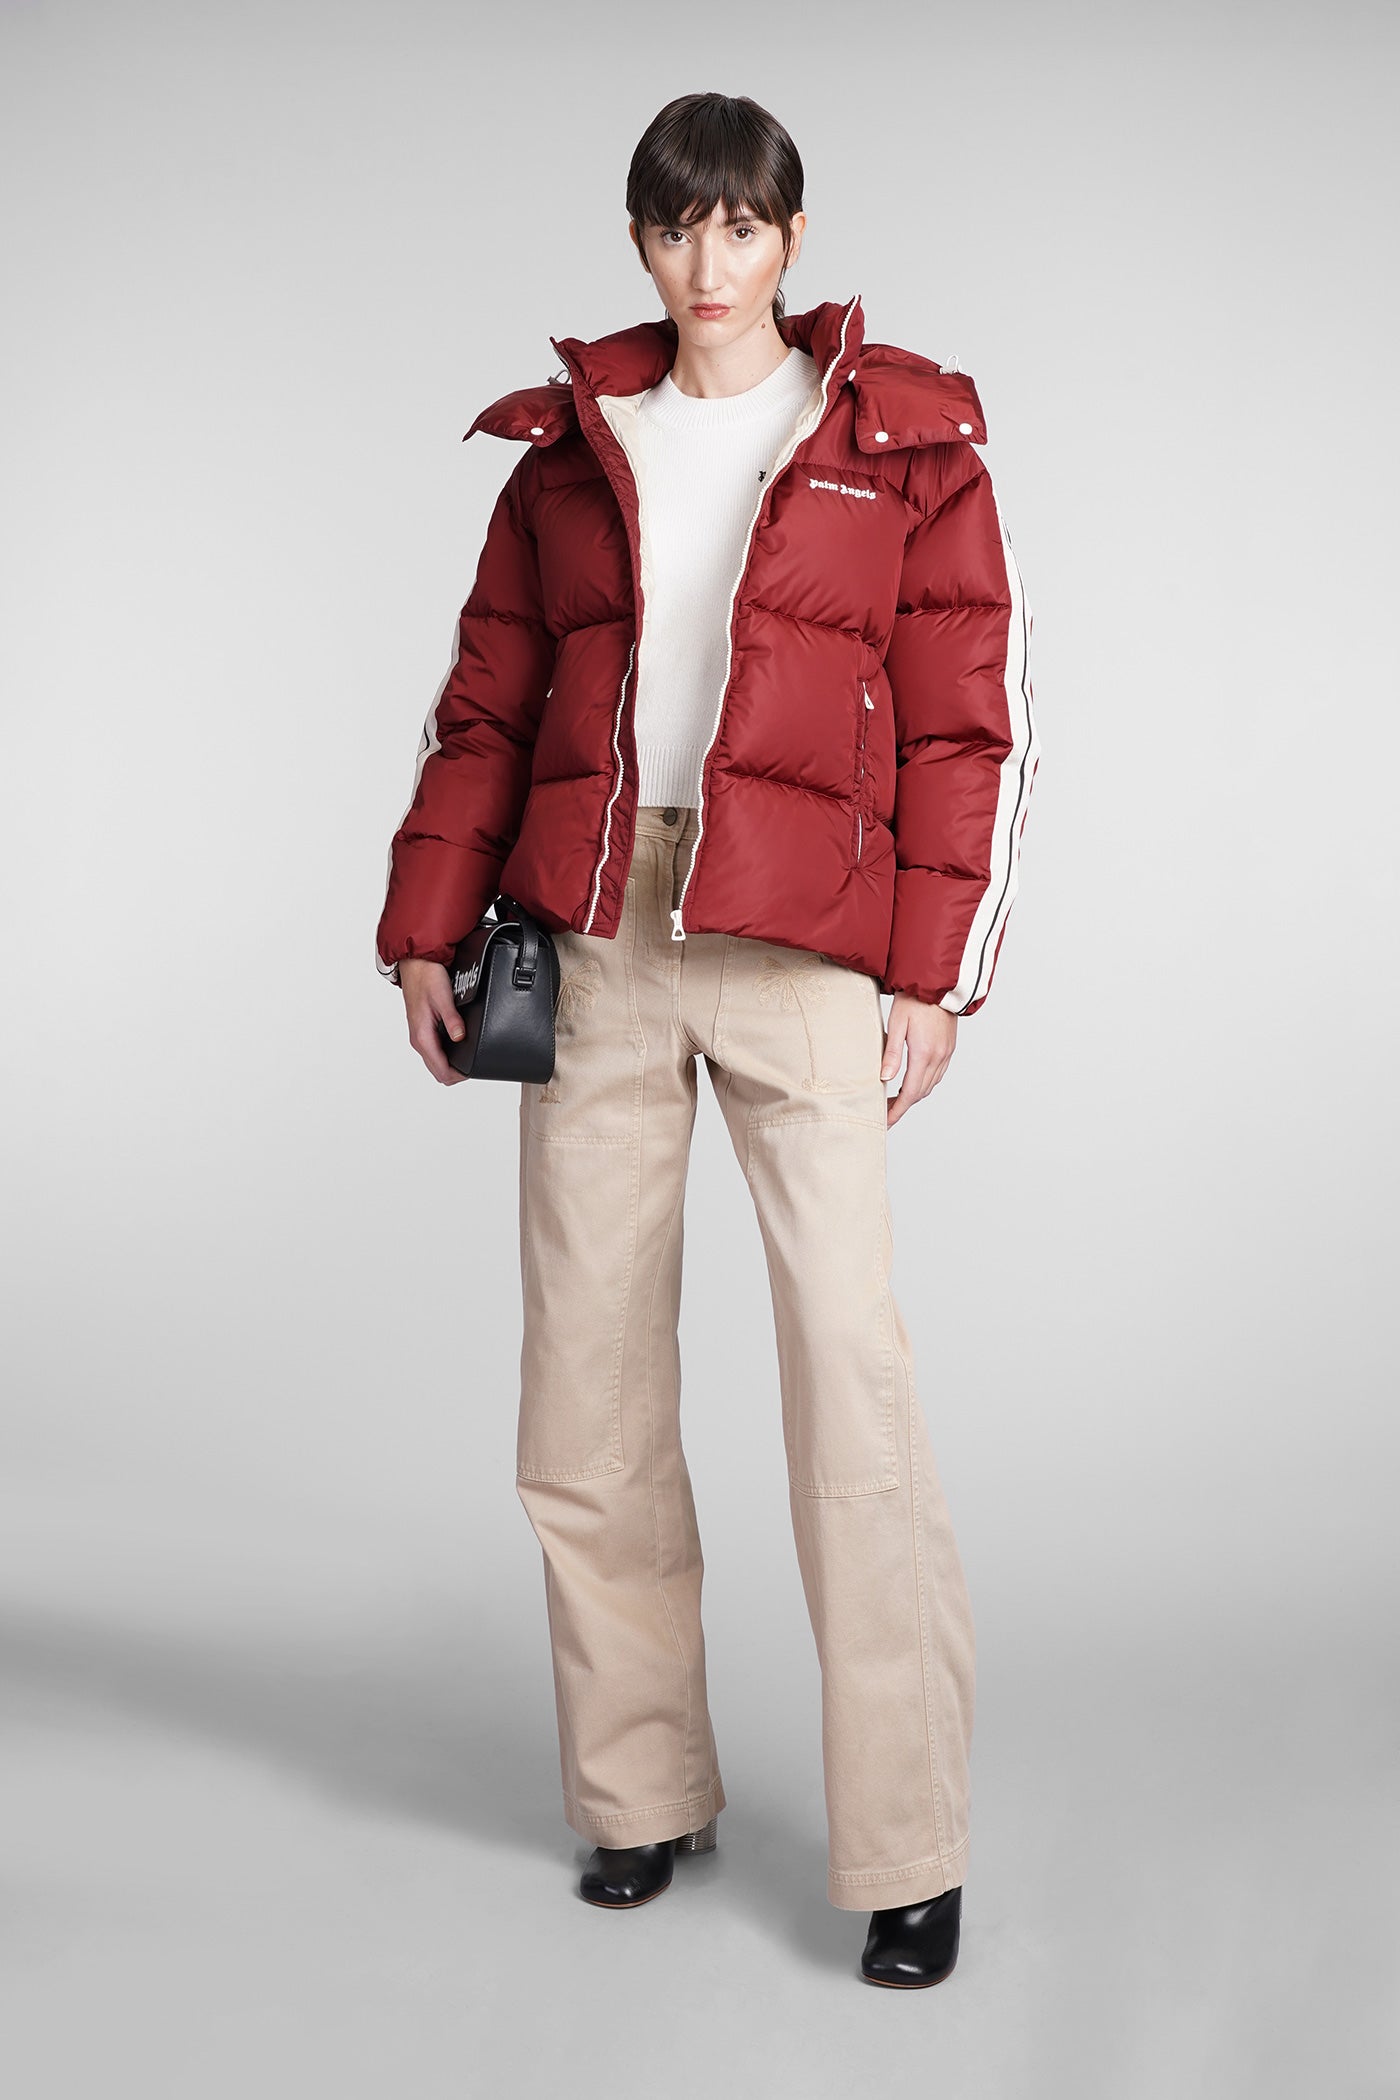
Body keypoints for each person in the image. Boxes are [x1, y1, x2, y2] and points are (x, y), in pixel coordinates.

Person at [375, 91, 1038, 1990]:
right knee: (586, 1393)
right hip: (596, 933)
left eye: (741, 226)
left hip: (806, 938)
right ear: (643, 244)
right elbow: (486, 705)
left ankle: (909, 1846)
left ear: (793, 238)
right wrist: (426, 931)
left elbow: (966, 723)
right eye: (677, 229)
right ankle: (639, 1791)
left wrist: (933, 973)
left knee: (848, 1379)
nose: (708, 263)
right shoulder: (569, 456)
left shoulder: (906, 446)